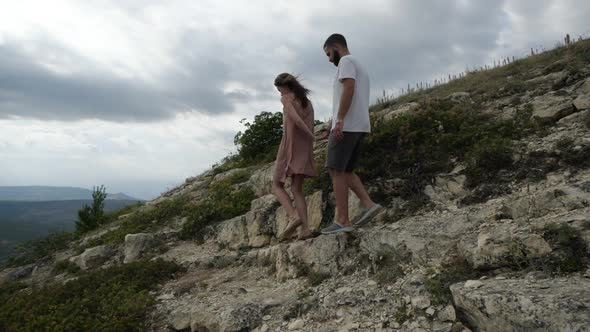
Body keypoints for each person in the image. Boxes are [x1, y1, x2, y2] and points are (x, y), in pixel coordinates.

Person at [320, 33, 383, 235]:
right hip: (358, 124)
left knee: (335, 169)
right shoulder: (358, 64)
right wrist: (332, 121)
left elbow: (349, 89)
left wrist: (339, 120)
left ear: (337, 46)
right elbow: (348, 95)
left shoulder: (346, 61)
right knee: (346, 170)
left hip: (346, 125)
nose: (329, 59)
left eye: (329, 53)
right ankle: (368, 204)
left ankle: (343, 220)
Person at [272, 73, 317, 241]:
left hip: (289, 146)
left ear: (285, 87)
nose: (280, 93)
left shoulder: (287, 98)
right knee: (297, 189)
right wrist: (311, 138)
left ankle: (293, 216)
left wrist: (311, 135)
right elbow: (308, 123)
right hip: (304, 148)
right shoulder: (307, 102)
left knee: (276, 185)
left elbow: (296, 121)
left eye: (279, 89)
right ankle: (304, 230)